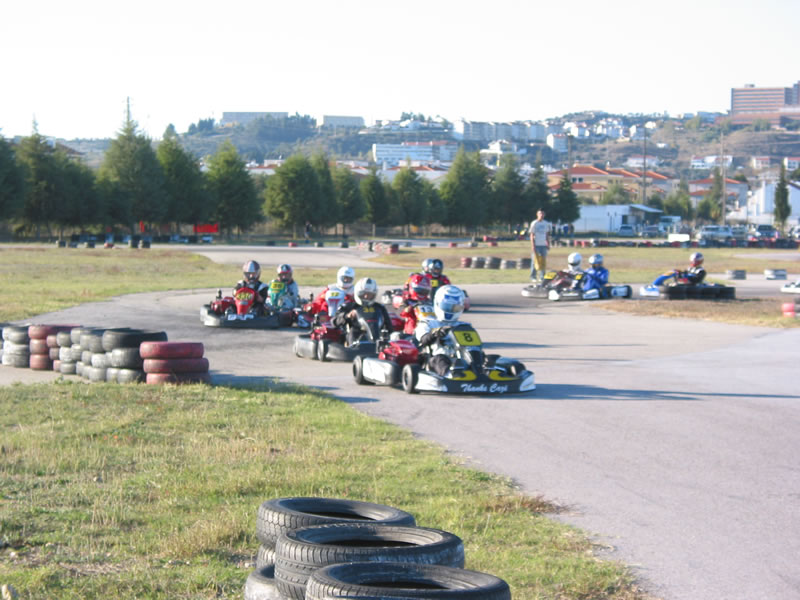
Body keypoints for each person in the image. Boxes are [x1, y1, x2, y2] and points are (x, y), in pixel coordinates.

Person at [414, 285, 466, 376]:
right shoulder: (428, 323)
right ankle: (449, 376)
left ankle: (487, 374)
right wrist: (435, 333)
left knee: (484, 358)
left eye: (455, 307)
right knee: (440, 360)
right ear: (437, 304)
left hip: (462, 358)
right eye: (447, 307)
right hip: (436, 358)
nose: (450, 310)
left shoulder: (463, 325)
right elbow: (423, 339)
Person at [332, 277, 391, 346]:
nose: (366, 296)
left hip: (378, 336)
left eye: (369, 294)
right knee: (353, 332)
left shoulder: (379, 307)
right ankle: (353, 349)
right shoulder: (349, 306)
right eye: (363, 294)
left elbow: (389, 327)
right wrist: (347, 316)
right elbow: (334, 321)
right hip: (356, 337)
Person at [641, 252, 706, 295]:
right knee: (674, 273)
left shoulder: (701, 271)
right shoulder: (689, 268)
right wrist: (679, 273)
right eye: (693, 261)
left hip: (692, 285)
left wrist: (685, 278)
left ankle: (659, 287)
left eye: (696, 261)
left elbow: (697, 280)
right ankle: (656, 284)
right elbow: (684, 273)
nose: (694, 262)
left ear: (700, 261)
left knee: (675, 286)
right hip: (683, 283)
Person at [529, 210, 551, 283]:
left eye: (542, 213)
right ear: (537, 214)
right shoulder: (534, 223)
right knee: (535, 261)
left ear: (544, 215)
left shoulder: (546, 223)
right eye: (540, 213)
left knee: (543, 261)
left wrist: (548, 243)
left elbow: (547, 234)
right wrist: (533, 245)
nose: (541, 215)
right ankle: (533, 276)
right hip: (536, 245)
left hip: (543, 245)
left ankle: (542, 276)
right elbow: (532, 235)